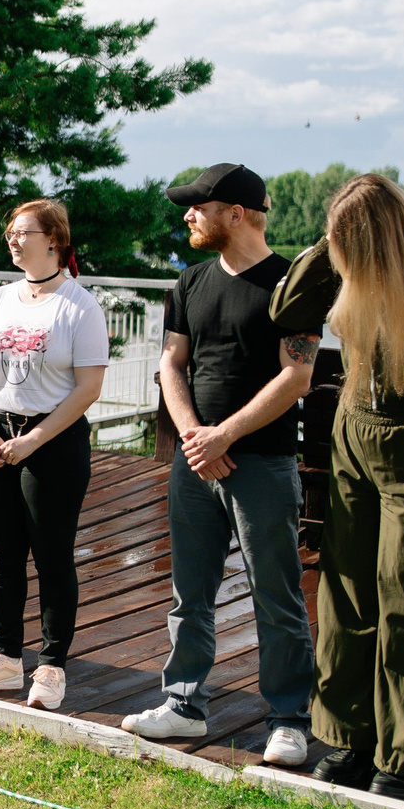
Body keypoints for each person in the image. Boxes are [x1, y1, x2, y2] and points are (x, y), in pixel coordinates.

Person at [268, 172, 404, 802]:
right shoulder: (355, 274)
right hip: (352, 453)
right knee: (347, 600)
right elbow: (287, 310)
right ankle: (351, 740)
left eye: (348, 246)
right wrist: (326, 245)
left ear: (380, 242)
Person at [121, 165, 317, 767]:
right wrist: (193, 438)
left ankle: (289, 719)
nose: (188, 216)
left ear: (236, 213)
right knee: (190, 591)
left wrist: (223, 436)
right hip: (195, 463)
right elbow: (171, 363)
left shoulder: (290, 284)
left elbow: (297, 375)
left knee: (275, 594)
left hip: (263, 464)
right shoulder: (190, 282)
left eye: (198, 207)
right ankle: (184, 704)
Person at [0, 200, 109, 711]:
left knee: (52, 556)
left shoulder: (80, 306)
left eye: (24, 233)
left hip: (54, 444)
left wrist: (34, 440)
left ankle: (51, 666)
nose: (13, 240)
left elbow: (88, 388)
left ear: (55, 240)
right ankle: (4, 658)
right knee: (2, 555)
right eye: (11, 233)